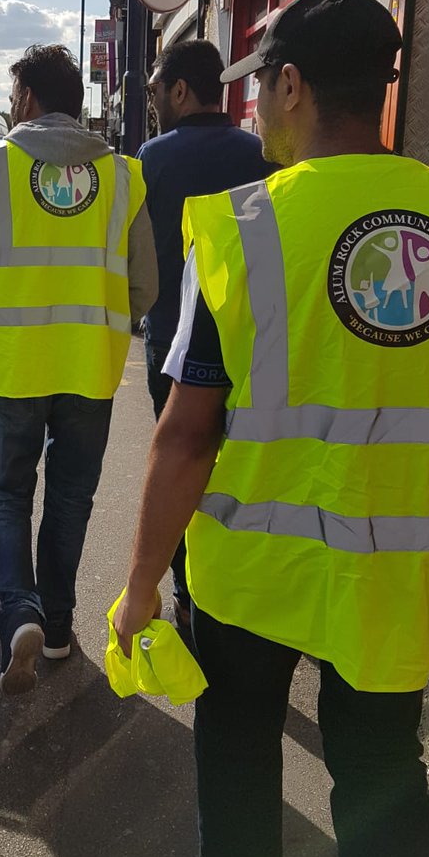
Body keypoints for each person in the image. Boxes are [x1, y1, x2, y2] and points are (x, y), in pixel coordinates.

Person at [113, 0, 429, 857]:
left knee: (237, 743)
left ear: (291, 84)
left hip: (252, 571)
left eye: (259, 91)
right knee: (381, 768)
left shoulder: (242, 229)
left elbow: (186, 434)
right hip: (400, 571)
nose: (252, 111)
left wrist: (140, 582)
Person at [0, 44, 157, 695]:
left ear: (29, 98)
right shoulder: (123, 176)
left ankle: (20, 614)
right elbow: (144, 286)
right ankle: (58, 628)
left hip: (13, 367)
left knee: (8, 494)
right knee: (70, 498)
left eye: (13, 97)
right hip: (90, 367)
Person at [140, 39, 269, 632]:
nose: (152, 102)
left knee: (181, 456)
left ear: (181, 91)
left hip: (173, 340)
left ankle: (191, 594)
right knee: (239, 461)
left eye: (155, 91)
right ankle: (244, 582)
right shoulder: (261, 154)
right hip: (254, 341)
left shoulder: (153, 157)